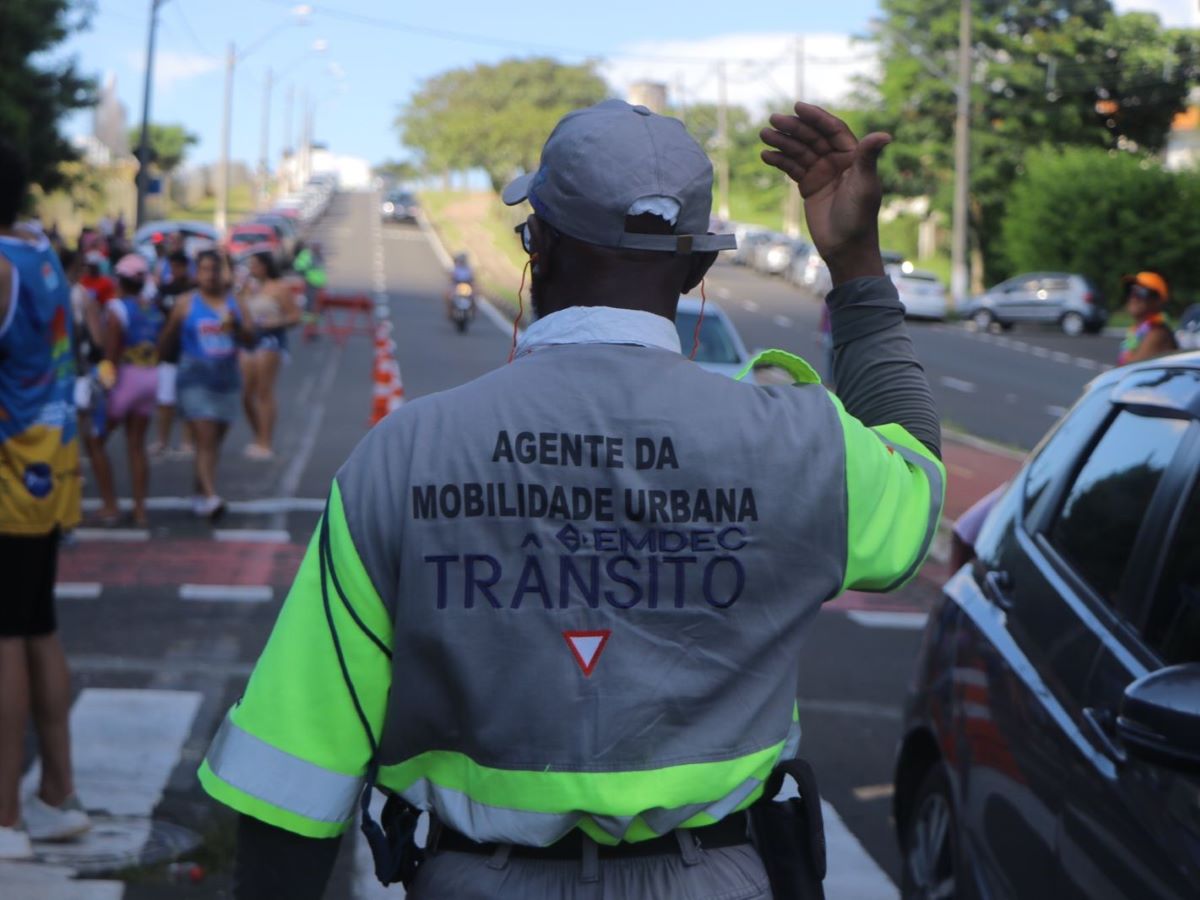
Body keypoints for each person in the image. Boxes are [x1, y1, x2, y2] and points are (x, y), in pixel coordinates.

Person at [199, 100, 943, 900]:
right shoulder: (803, 443)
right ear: (696, 270)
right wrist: (856, 266)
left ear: (538, 245)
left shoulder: (403, 454)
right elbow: (913, 487)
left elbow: (297, 762)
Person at [0, 140, 91, 860]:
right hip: (51, 464)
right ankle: (58, 794)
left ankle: (3, 819)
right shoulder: (40, 256)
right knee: (36, 627)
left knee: (4, 636)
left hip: (8, 473)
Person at [158, 250, 255, 520]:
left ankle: (200, 493)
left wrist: (237, 327)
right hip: (195, 377)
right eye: (205, 269)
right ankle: (212, 497)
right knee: (205, 438)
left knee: (213, 442)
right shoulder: (186, 303)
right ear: (197, 273)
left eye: (215, 269)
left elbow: (250, 339)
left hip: (226, 378)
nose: (210, 275)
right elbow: (166, 339)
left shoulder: (235, 303)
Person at [98, 254, 164, 527]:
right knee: (137, 445)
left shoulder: (116, 308)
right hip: (150, 377)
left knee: (95, 439)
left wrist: (104, 383)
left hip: (125, 378)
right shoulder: (151, 308)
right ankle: (140, 511)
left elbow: (111, 353)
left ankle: (110, 505)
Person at [238, 252, 301, 460]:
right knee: (246, 393)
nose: (251, 269)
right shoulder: (248, 287)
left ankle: (266, 441)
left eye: (255, 265)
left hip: (270, 341)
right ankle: (259, 434)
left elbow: (295, 316)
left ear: (265, 266)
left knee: (263, 391)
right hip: (249, 341)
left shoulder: (279, 287)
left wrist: (276, 323)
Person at [150, 250, 196, 458]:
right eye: (173, 266)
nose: (176, 270)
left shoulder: (194, 291)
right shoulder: (164, 290)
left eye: (179, 266)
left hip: (189, 350)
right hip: (168, 351)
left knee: (188, 399)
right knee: (165, 400)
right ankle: (163, 441)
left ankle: (187, 442)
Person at [1117, 271, 1178, 365]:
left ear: (1157, 300)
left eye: (1141, 292)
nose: (1133, 297)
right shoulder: (1138, 331)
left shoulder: (1158, 333)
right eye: (1130, 290)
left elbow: (1131, 368)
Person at [444, 251, 476, 319]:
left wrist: (472, 282)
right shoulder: (455, 268)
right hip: (456, 285)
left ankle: (473, 312)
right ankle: (449, 312)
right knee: (448, 296)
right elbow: (450, 276)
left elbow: (473, 277)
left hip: (467, 286)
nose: (461, 261)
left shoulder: (469, 269)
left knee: (474, 297)